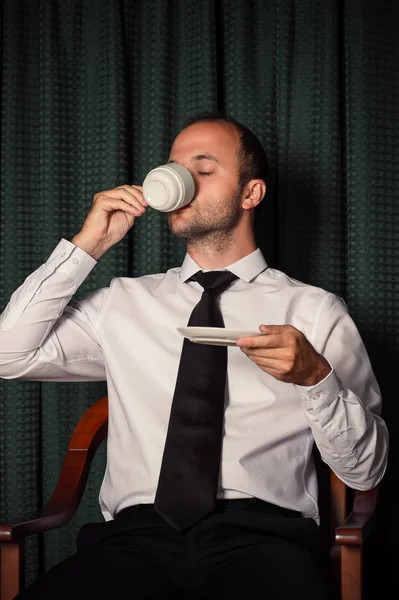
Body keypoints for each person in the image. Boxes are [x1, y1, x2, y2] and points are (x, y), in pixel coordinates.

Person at [0, 113, 389, 600]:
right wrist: (88, 244)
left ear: (251, 194)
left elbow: (365, 470)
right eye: (173, 168)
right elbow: (7, 353)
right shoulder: (123, 302)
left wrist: (317, 378)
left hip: (264, 539)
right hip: (134, 540)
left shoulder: (314, 310)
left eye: (202, 170)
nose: (179, 182)